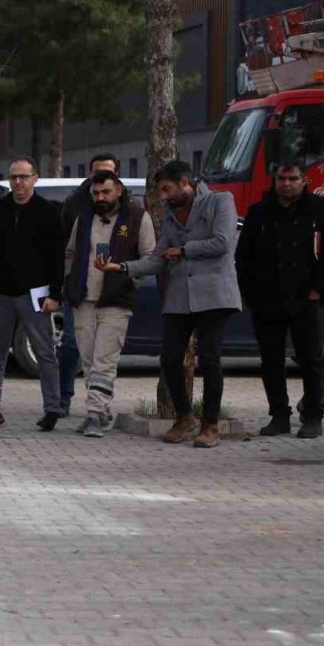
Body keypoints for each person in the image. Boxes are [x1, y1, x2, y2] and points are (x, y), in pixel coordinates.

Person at [102, 160, 240, 448]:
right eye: (161, 191)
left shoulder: (220, 201)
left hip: (214, 294)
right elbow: (157, 258)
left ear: (185, 183)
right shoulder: (169, 216)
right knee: (168, 359)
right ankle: (185, 417)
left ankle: (211, 424)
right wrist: (122, 267)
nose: (163, 197)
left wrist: (186, 250)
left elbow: (223, 242)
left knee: (211, 359)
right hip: (180, 297)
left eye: (167, 189)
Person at [235, 162, 324, 438]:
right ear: (274, 180)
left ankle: (313, 415)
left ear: (304, 181)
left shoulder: (320, 210)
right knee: (271, 360)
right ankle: (279, 415)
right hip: (268, 298)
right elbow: (244, 258)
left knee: (311, 359)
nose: (286, 184)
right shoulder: (259, 212)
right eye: (281, 178)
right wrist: (251, 294)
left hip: (305, 296)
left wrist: (319, 288)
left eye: (292, 178)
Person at [0, 157, 66, 430]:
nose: (18, 182)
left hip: (35, 294)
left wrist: (55, 294)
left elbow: (57, 257)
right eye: (14, 177)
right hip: (0, 294)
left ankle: (52, 408)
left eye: (24, 177)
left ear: (35, 178)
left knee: (45, 352)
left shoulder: (48, 211)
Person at [63, 171, 155, 437]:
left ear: (119, 191)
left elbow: (149, 257)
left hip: (116, 299)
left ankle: (93, 413)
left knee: (105, 359)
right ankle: (101, 411)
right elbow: (69, 253)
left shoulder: (138, 217)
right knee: (89, 359)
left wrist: (127, 273)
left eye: (105, 192)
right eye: (96, 193)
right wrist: (70, 280)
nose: (100, 198)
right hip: (83, 298)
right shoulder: (84, 217)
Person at [58, 153, 119, 417]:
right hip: (80, 289)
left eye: (108, 172)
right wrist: (69, 278)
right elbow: (64, 246)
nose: (101, 180)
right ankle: (64, 398)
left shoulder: (128, 206)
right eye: (97, 173)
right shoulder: (75, 203)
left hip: (113, 289)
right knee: (73, 345)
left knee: (104, 353)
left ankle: (98, 408)